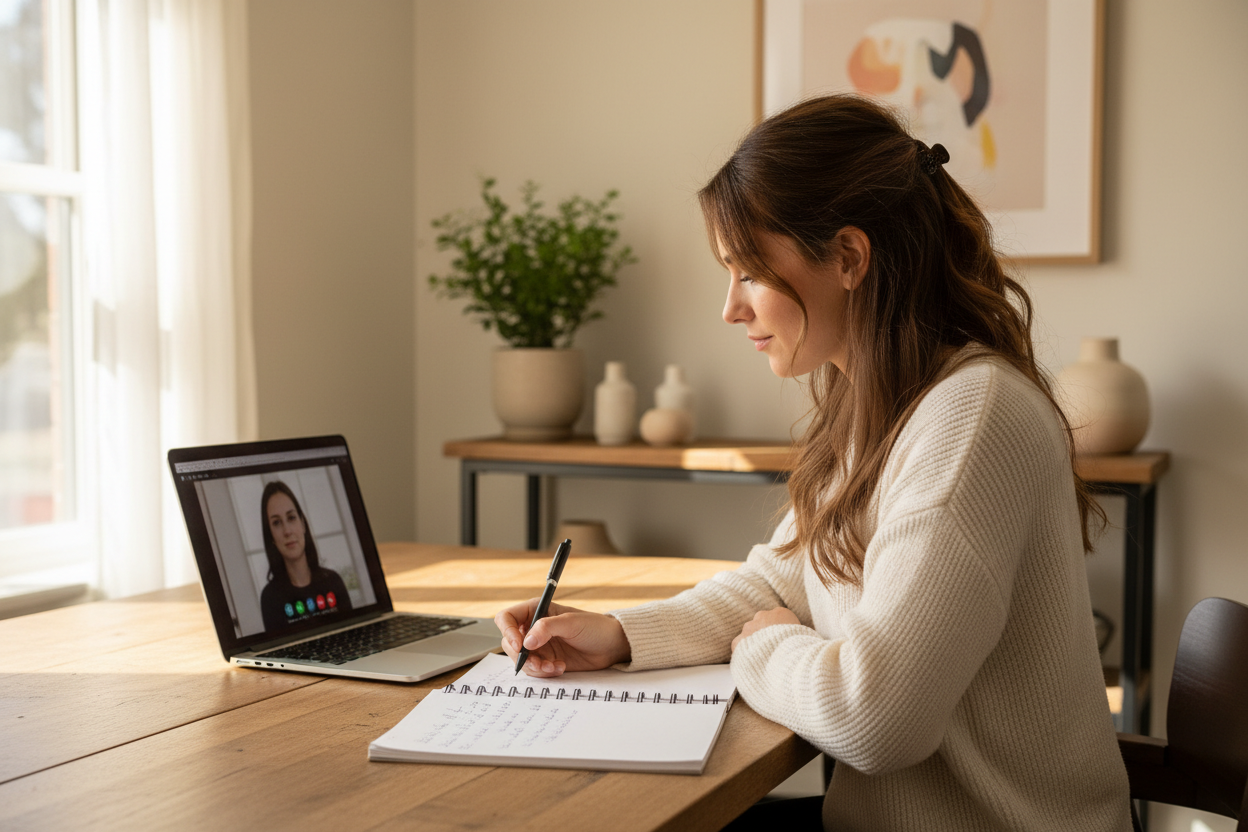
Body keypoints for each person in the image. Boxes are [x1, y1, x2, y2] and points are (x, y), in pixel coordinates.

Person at [494, 94, 1132, 832]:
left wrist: (766, 648)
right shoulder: (878, 404)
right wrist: (622, 634)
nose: (730, 308)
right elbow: (784, 579)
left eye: (750, 273)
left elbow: (876, 718)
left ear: (849, 258)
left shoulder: (971, 419)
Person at [258, 480, 352, 631]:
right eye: (276, 523)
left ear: (303, 524)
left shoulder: (333, 581)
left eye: (291, 518)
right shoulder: (270, 598)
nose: (287, 531)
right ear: (271, 537)